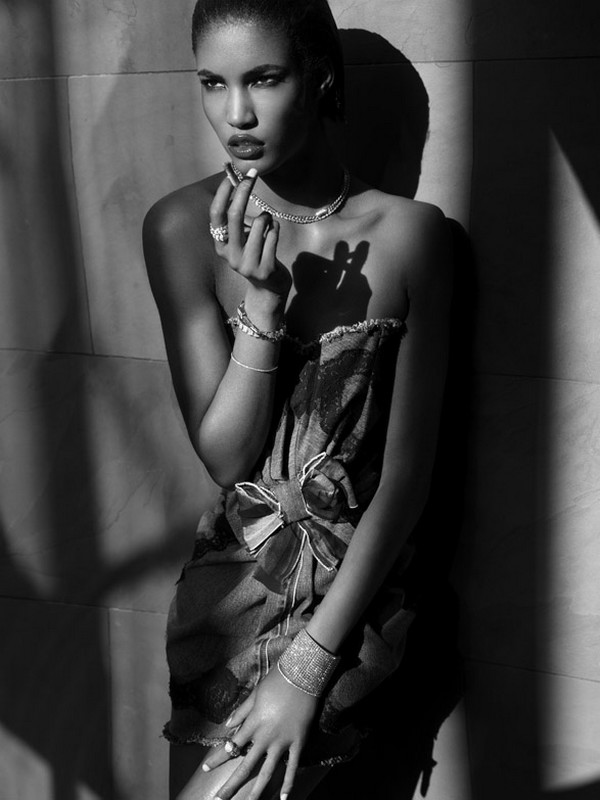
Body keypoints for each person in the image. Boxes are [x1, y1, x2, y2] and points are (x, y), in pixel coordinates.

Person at [143, 1, 452, 798]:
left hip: (354, 607)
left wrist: (308, 668)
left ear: (317, 79)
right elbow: (227, 460)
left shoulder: (413, 237)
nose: (236, 113)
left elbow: (406, 480)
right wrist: (262, 309)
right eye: (213, 83)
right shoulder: (181, 227)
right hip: (226, 598)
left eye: (264, 79)